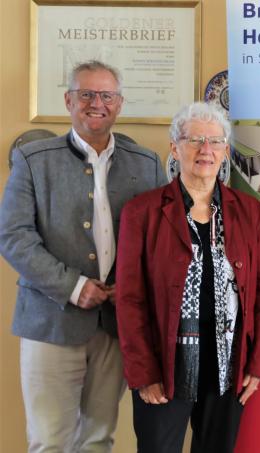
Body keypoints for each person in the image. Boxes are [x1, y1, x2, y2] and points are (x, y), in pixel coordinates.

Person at [0, 60, 166, 452]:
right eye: (86, 94)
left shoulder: (146, 164)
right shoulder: (34, 160)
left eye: (106, 95)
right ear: (68, 100)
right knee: (49, 442)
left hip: (115, 325)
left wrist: (128, 288)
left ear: (119, 103)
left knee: (97, 440)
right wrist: (74, 287)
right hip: (50, 323)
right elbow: (14, 236)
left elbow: (159, 242)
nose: (97, 103)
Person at [115, 102, 260, 453]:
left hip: (229, 363)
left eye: (215, 141)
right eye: (194, 140)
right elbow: (129, 299)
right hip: (164, 364)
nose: (206, 149)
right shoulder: (141, 212)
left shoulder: (250, 212)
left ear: (225, 150)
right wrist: (143, 373)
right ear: (175, 147)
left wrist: (258, 363)